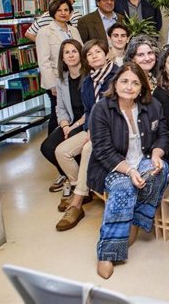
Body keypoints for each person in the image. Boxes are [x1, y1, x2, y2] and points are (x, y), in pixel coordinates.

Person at [88, 62, 169, 279]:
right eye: (124, 81)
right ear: (115, 84)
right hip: (112, 167)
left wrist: (156, 155)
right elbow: (103, 151)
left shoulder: (153, 106)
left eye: (135, 83)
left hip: (142, 158)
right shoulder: (101, 110)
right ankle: (107, 251)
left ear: (142, 87)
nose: (129, 87)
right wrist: (129, 171)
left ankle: (134, 221)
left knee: (159, 171)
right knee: (124, 187)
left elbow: (163, 135)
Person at [55, 39, 118, 231]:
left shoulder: (118, 75)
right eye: (89, 54)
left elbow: (119, 109)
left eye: (98, 52)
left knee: (89, 148)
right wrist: (91, 127)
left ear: (106, 54)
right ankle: (83, 187)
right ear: (87, 60)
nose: (94, 56)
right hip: (92, 128)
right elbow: (89, 110)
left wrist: (98, 129)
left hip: (114, 129)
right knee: (61, 151)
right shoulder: (88, 81)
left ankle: (77, 203)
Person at [39, 39, 86, 193]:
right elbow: (60, 108)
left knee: (67, 146)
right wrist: (65, 125)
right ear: (62, 58)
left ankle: (78, 187)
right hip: (70, 122)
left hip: (86, 122)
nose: (71, 55)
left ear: (80, 54)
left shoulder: (90, 76)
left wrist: (73, 127)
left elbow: (94, 109)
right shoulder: (61, 79)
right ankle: (76, 180)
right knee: (47, 147)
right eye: (67, 52)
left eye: (74, 51)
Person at [36, 0, 83, 135]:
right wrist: (52, 85)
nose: (63, 13)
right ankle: (54, 142)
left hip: (75, 76)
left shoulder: (74, 30)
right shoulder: (45, 32)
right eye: (59, 10)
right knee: (57, 113)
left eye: (66, 10)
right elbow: (43, 61)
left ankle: (71, 137)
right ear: (53, 12)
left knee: (73, 110)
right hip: (56, 79)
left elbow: (80, 52)